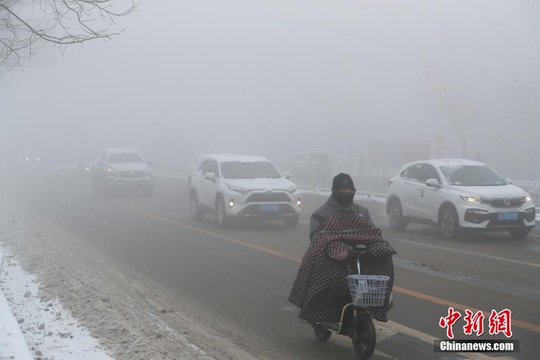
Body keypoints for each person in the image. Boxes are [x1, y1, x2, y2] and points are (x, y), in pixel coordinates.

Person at [288, 173, 395, 324]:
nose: (346, 193)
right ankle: (323, 313)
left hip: (362, 250)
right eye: (343, 190)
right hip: (335, 254)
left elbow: (371, 231)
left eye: (349, 189)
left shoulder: (362, 211)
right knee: (334, 271)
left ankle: (378, 306)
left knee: (383, 251)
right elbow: (315, 237)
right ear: (334, 190)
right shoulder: (322, 213)